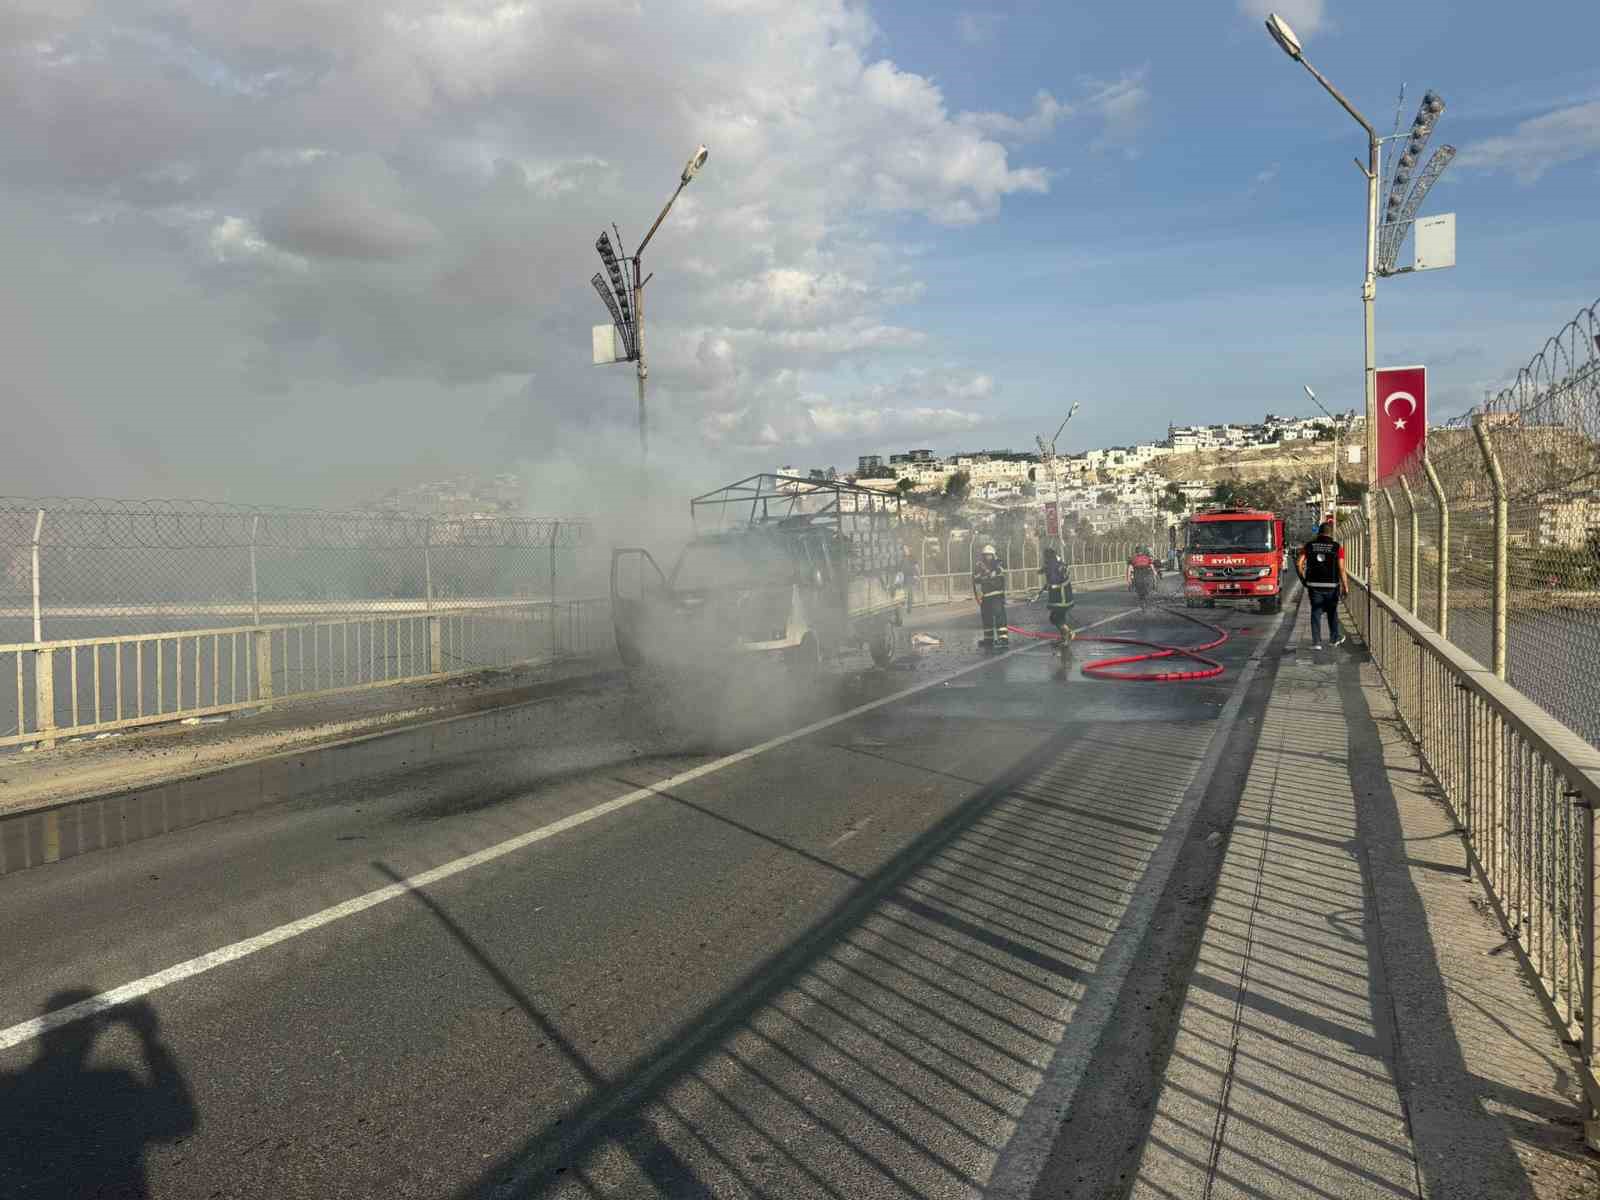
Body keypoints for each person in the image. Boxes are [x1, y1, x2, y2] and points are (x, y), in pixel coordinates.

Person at [1296, 516, 1349, 649]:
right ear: (1331, 533)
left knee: (1316, 611)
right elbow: (1341, 568)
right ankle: (1334, 638)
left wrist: (1304, 579)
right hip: (1332, 585)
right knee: (1332, 611)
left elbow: (1299, 563)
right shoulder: (1337, 547)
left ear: (1318, 533)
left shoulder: (1309, 546)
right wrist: (1345, 586)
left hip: (1314, 585)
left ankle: (1316, 642)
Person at [973, 543, 1009, 647]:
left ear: (993, 555)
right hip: (985, 596)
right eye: (985, 555)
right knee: (986, 618)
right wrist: (978, 596)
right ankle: (988, 639)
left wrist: (987, 574)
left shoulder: (998, 564)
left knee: (999, 617)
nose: (987, 557)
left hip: (996, 596)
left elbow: (999, 573)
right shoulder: (979, 566)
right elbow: (976, 580)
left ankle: (1003, 639)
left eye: (989, 555)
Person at [1039, 546, 1074, 646]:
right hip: (1064, 596)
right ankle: (1064, 638)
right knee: (1059, 617)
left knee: (1056, 618)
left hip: (1060, 597)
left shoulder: (1053, 564)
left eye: (1045, 557)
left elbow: (1054, 580)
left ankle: (1068, 635)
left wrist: (1049, 584)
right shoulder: (1059, 562)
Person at [900, 544, 920, 613]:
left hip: (910, 576)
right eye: (903, 549)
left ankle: (909, 607)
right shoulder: (901, 557)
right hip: (903, 577)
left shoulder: (912, 557)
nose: (904, 550)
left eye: (905, 548)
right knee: (903, 592)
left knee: (909, 592)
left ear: (908, 549)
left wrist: (917, 575)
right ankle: (905, 605)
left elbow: (916, 566)